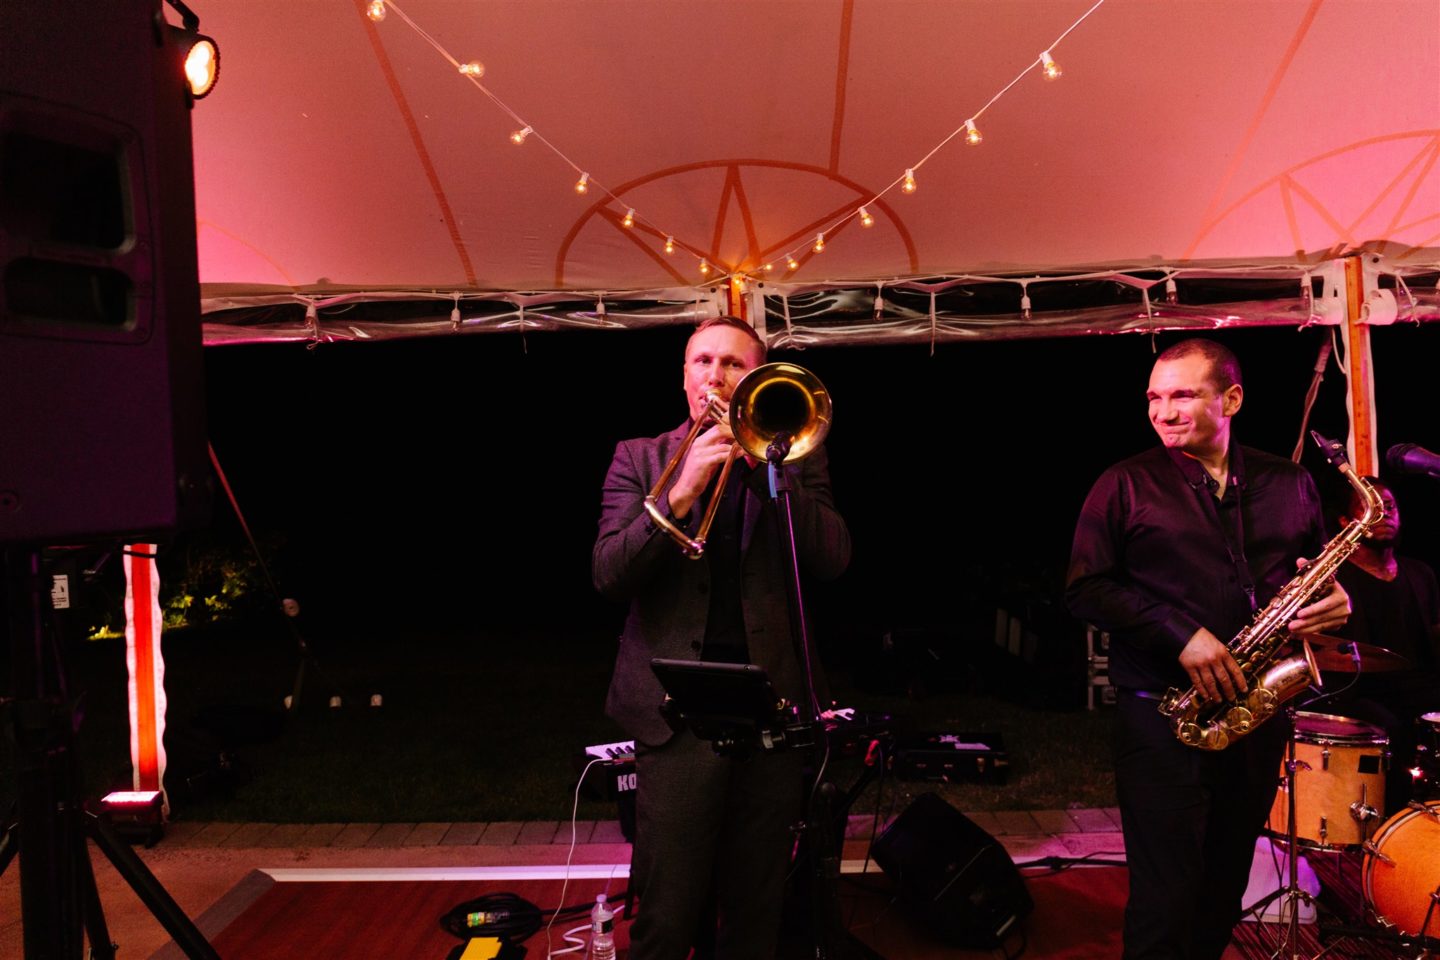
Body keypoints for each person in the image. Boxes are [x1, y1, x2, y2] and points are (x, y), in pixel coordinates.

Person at [1066, 338, 1351, 960]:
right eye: (1154, 397)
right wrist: (1180, 633)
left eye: (1182, 395)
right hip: (1161, 714)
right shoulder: (1123, 483)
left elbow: (1316, 577)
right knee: (1165, 898)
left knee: (1224, 887)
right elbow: (1085, 589)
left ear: (1232, 399)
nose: (1162, 412)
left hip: (1255, 715)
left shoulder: (1291, 482)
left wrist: (1337, 604)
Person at [592, 315, 851, 960]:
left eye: (734, 364)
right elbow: (609, 573)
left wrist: (769, 468)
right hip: (675, 715)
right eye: (703, 361)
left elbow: (833, 558)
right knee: (667, 913)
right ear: (684, 377)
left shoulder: (794, 457)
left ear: (756, 379)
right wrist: (679, 495)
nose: (716, 375)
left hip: (771, 711)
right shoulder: (639, 457)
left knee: (756, 909)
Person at [1327, 478, 1440, 812]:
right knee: (1393, 729)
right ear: (1346, 523)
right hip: (1361, 692)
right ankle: (1394, 822)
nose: (1384, 514)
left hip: (1420, 688)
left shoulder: (1420, 573)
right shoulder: (1335, 579)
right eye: (1370, 507)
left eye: (1389, 506)